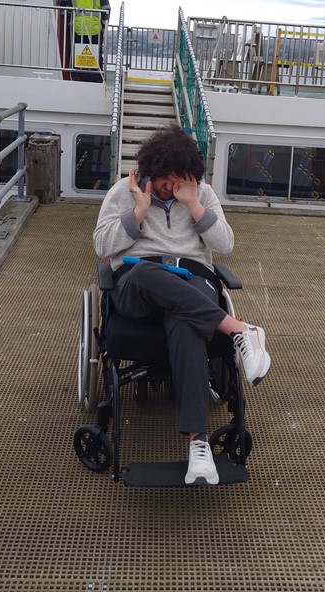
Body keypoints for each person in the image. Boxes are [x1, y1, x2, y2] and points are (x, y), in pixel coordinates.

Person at [93, 125, 271, 485]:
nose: (170, 188)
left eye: (179, 181)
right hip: (137, 281)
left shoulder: (201, 193)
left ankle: (198, 446)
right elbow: (101, 246)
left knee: (186, 321)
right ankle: (239, 329)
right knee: (146, 272)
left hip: (191, 279)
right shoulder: (123, 193)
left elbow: (225, 244)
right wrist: (139, 213)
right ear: (150, 171)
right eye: (164, 180)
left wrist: (193, 204)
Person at [71, 0, 110, 82]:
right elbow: (106, 10)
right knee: (96, 55)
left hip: (78, 29)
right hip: (95, 30)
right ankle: (97, 79)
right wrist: (103, 26)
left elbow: (69, 8)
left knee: (80, 55)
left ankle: (80, 77)